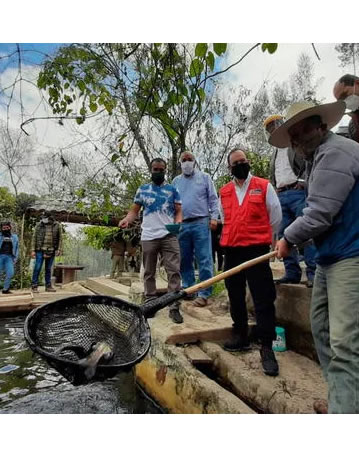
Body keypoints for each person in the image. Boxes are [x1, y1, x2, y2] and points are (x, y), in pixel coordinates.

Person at [271, 100, 359, 413]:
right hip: (328, 256)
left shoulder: (337, 152)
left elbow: (320, 213)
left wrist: (287, 239)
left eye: (302, 131)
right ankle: (343, 397)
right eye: (293, 136)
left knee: (345, 344)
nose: (297, 140)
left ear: (321, 126)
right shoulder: (315, 159)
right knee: (320, 328)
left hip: (351, 255)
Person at [219, 147, 282, 377]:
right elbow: (225, 218)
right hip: (232, 250)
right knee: (234, 294)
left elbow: (275, 217)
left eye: (243, 161)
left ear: (249, 162)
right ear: (230, 167)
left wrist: (265, 240)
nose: (240, 165)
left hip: (257, 250)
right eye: (235, 163)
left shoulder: (264, 186)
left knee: (263, 297)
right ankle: (240, 334)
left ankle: (267, 347)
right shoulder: (224, 191)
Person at [119, 158, 184, 324]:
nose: (158, 172)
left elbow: (178, 211)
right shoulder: (142, 190)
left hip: (169, 234)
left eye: (161, 169)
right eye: (155, 169)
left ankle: (173, 304)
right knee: (149, 271)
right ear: (151, 170)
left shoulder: (173, 190)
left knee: (174, 269)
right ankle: (151, 302)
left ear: (165, 170)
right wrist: (127, 219)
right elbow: (134, 210)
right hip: (148, 235)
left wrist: (178, 222)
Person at [264, 114, 316, 287]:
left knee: (306, 233)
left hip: (297, 192)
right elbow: (275, 173)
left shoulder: (295, 144)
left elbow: (310, 161)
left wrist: (303, 182)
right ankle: (292, 272)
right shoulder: (274, 153)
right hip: (281, 195)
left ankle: (313, 272)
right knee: (284, 235)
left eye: (274, 125)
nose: (273, 129)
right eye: (269, 128)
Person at [172, 151, 219, 307]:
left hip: (201, 222)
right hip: (182, 224)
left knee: (204, 258)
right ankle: (188, 288)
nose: (186, 162)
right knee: (184, 259)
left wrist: (214, 217)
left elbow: (213, 199)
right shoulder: (175, 181)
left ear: (195, 161)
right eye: (183, 160)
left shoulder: (204, 177)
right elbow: (172, 204)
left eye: (189, 159)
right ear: (180, 163)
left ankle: (204, 293)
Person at [31, 211, 63, 293]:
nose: (43, 219)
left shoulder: (57, 225)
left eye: (45, 217)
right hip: (40, 250)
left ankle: (48, 286)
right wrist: (32, 250)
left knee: (48, 269)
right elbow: (34, 237)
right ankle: (34, 286)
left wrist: (59, 249)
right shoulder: (39, 225)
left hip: (51, 250)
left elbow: (60, 239)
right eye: (42, 217)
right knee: (37, 267)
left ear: (50, 217)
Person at [333, 74, 359, 143]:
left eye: (345, 95)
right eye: (341, 101)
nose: (345, 102)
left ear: (357, 83)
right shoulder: (354, 126)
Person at [0, 221, 19, 294]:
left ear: (10, 227)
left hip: (9, 257)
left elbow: (17, 248)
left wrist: (15, 258)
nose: (5, 229)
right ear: (1, 228)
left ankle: (5, 289)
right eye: (4, 228)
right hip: (0, 256)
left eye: (7, 227)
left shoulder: (15, 237)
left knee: (10, 273)